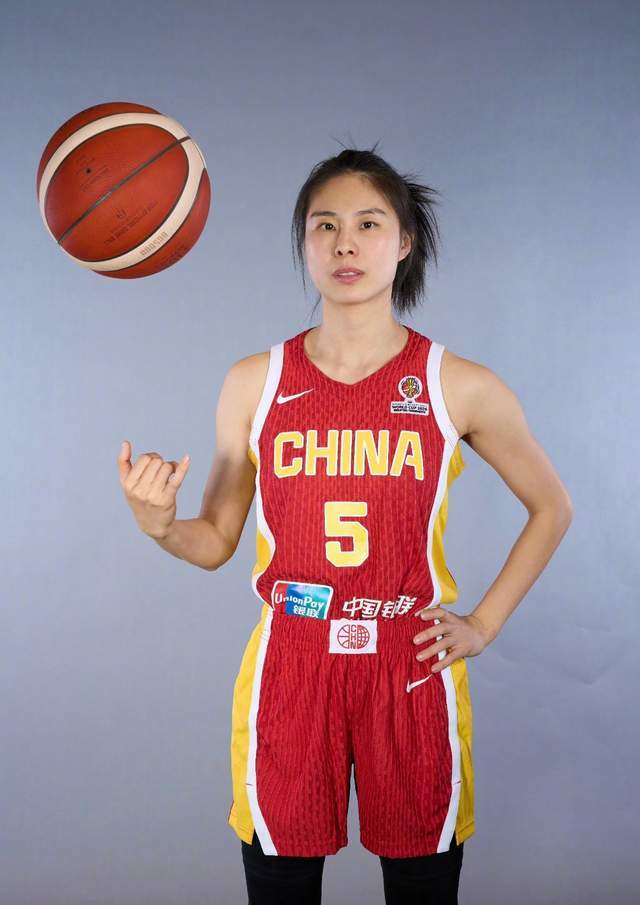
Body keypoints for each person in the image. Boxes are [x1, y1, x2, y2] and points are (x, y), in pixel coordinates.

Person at [117, 143, 573, 904]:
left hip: (410, 661)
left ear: (404, 242)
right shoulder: (255, 382)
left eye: (368, 224)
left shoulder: (457, 384)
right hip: (293, 660)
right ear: (304, 244)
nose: (344, 244)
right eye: (324, 225)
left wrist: (483, 625)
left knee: (423, 886)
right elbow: (216, 541)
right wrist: (159, 524)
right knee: (281, 883)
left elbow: (552, 506)